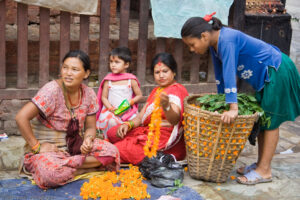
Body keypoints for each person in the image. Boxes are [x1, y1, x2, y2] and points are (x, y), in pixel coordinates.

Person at [181, 13, 300, 185]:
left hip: (277, 70)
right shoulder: (215, 45)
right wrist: (222, 103)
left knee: (271, 121)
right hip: (268, 76)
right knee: (263, 120)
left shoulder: (226, 40)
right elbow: (221, 77)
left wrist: (233, 108)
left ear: (204, 36)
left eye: (192, 45)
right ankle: (260, 164)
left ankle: (265, 170)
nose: (192, 49)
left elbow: (230, 74)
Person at [15, 50, 120, 189]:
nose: (68, 73)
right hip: (50, 150)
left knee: (112, 152)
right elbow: (21, 117)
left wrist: (88, 140)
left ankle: (71, 167)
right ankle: (83, 168)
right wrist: (37, 147)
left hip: (76, 147)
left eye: (75, 69)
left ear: (86, 73)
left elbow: (90, 127)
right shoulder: (52, 91)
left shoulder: (88, 93)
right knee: (50, 174)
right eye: (65, 68)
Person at [106, 52, 189, 165]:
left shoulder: (176, 90)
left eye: (165, 71)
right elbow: (140, 117)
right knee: (112, 133)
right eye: (157, 72)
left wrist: (166, 106)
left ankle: (116, 151)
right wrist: (127, 125)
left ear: (173, 72)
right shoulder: (157, 91)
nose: (161, 75)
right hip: (148, 133)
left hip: (163, 142)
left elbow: (175, 120)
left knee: (115, 150)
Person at [96, 47, 143, 138]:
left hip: (127, 110)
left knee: (132, 123)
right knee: (111, 122)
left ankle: (125, 141)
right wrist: (110, 108)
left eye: (117, 62)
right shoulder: (108, 80)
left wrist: (130, 102)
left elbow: (139, 95)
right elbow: (103, 97)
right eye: (111, 62)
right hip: (111, 111)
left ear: (126, 65)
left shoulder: (131, 80)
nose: (113, 65)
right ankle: (110, 139)